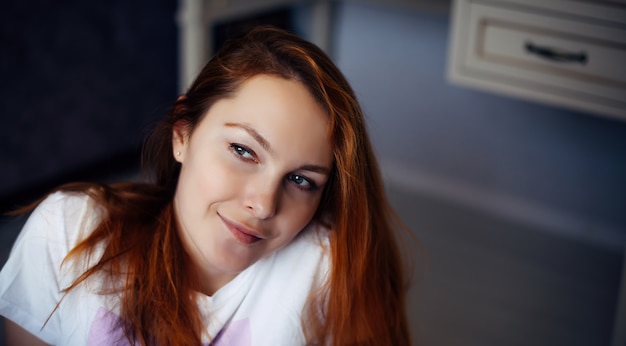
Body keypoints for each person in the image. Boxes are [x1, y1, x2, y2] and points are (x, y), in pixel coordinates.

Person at [0, 26, 412, 345]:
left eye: (301, 180)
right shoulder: (69, 231)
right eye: (243, 151)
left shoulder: (324, 271)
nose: (264, 205)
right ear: (183, 134)